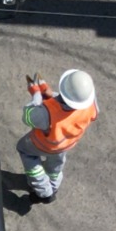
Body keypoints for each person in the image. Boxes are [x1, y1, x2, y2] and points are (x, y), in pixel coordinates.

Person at [17, 68, 98, 203]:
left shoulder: (45, 114)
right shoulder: (91, 104)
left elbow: (28, 117)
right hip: (66, 143)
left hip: (42, 144)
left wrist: (36, 97)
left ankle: (44, 192)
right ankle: (54, 185)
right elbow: (71, 106)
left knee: (25, 151)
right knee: (55, 165)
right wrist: (50, 94)